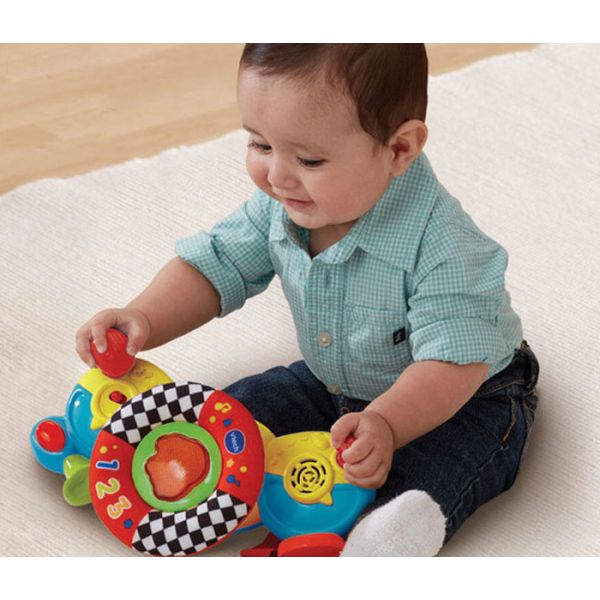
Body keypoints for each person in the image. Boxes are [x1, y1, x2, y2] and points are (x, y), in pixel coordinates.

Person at [76, 44, 539, 556]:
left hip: (464, 399)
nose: (276, 176)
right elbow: (215, 265)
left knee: (428, 474)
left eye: (309, 159)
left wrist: (387, 425)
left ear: (399, 149)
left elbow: (451, 364)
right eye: (260, 144)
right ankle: (196, 487)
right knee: (228, 422)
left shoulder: (446, 247)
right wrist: (143, 316)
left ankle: (377, 541)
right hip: (330, 382)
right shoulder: (283, 204)